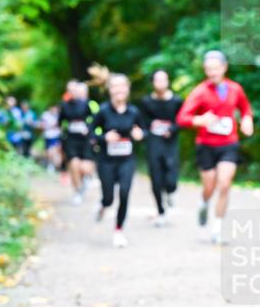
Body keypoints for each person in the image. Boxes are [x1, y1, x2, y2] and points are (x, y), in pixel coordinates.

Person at [176, 50, 253, 244]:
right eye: (208, 69)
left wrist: (247, 120)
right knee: (209, 187)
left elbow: (245, 108)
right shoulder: (200, 91)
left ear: (224, 67)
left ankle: (217, 229)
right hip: (206, 146)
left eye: (215, 68)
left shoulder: (235, 89)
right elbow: (182, 118)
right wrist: (200, 119)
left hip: (229, 144)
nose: (212, 73)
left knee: (224, 184)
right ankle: (204, 203)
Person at [92, 73, 144, 248]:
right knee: (108, 198)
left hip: (126, 161)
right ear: (109, 89)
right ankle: (102, 206)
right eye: (115, 86)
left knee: (124, 192)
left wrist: (140, 134)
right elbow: (90, 134)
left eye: (122, 85)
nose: (119, 89)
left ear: (127, 89)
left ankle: (118, 230)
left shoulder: (134, 112)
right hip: (106, 160)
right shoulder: (103, 111)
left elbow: (145, 131)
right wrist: (104, 137)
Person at [138, 69, 184, 226]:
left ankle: (171, 192)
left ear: (168, 81)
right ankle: (161, 211)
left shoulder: (177, 101)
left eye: (163, 80)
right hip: (153, 143)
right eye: (157, 80)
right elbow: (142, 122)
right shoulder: (146, 102)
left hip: (170, 143)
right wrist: (146, 130)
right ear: (153, 83)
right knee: (156, 179)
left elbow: (182, 120)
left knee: (171, 178)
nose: (161, 83)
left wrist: (171, 129)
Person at [58, 81, 99, 204]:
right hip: (71, 139)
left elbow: (96, 119)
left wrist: (90, 130)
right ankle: (77, 192)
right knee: (74, 164)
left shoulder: (88, 104)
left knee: (84, 167)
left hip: (85, 139)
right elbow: (61, 122)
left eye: (74, 89)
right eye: (70, 89)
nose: (73, 91)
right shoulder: (64, 105)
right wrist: (64, 132)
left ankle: (86, 179)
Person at [39, 105, 63, 173]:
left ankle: (54, 165)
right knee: (49, 152)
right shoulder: (45, 115)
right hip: (48, 136)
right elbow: (42, 125)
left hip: (56, 136)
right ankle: (50, 164)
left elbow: (60, 125)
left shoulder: (58, 115)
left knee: (54, 151)